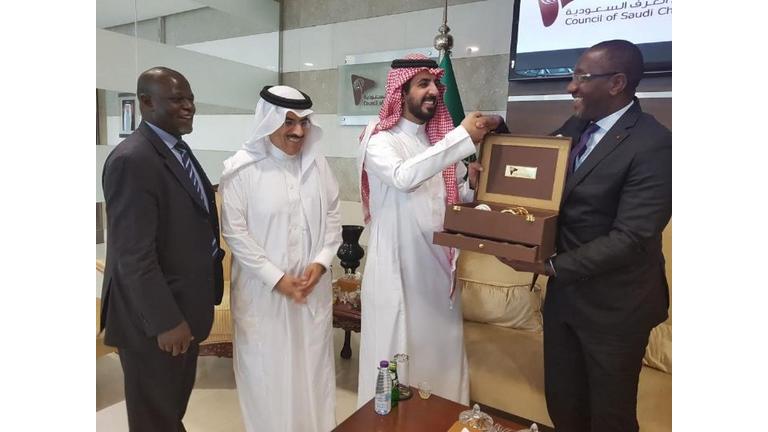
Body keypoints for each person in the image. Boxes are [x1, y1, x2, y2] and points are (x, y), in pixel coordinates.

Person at [499, 40, 672, 432]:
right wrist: (497, 146)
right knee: (565, 407)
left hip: (616, 310)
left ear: (616, 83)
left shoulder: (653, 144)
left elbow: (632, 238)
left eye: (581, 77)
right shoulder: (576, 126)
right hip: (566, 300)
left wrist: (549, 266)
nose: (571, 87)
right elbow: (537, 165)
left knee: (609, 418)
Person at [356, 54, 502, 406]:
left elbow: (447, 198)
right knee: (398, 359)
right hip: (398, 272)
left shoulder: (434, 143)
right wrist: (460, 137)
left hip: (437, 271)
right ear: (400, 92)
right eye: (423, 84)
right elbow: (404, 177)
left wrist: (471, 185)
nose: (434, 91)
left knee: (440, 360)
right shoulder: (380, 140)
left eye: (436, 83)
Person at [100, 67, 225, 432]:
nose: (188, 107)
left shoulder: (176, 148)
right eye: (176, 100)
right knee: (154, 419)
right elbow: (133, 254)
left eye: (190, 99)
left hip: (184, 310)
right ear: (146, 102)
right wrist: (166, 321)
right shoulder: (133, 160)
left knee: (168, 414)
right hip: (153, 323)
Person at [219, 85, 342, 432]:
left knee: (313, 374)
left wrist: (321, 262)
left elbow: (333, 215)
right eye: (288, 122)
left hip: (311, 292)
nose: (298, 131)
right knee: (267, 378)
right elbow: (235, 233)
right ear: (267, 121)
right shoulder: (241, 170)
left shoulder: (317, 165)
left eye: (303, 122)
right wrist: (277, 279)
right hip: (263, 297)